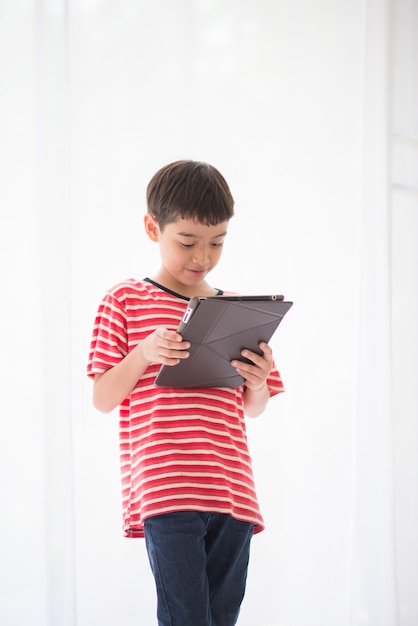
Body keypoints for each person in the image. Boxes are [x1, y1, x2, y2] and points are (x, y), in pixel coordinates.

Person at [87, 160, 285, 626]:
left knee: (221, 618)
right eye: (187, 242)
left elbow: (254, 407)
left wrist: (256, 380)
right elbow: (102, 397)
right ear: (152, 227)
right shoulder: (125, 300)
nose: (202, 257)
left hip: (232, 490)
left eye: (217, 243)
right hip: (167, 487)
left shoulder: (236, 310)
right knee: (185, 618)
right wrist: (142, 354)